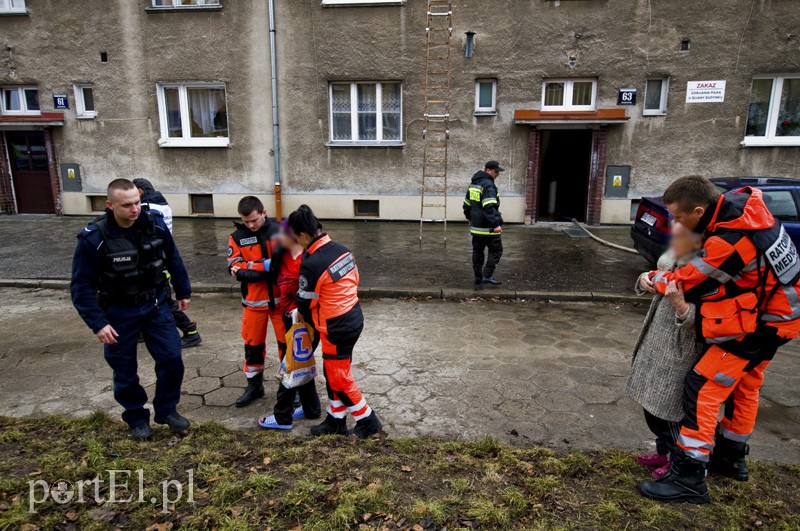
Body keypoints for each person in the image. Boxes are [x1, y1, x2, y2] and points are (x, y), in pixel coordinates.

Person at [638, 175, 800, 504]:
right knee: (745, 385)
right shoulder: (745, 212)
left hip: (759, 327)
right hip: (780, 319)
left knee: (702, 388)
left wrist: (651, 278)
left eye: (679, 216)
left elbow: (686, 282)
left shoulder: (732, 237)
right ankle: (731, 458)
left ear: (699, 210)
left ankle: (688, 478)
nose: (674, 222)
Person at [71, 178, 191, 441]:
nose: (135, 209)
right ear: (110, 205)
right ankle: (136, 418)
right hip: (117, 313)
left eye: (137, 202)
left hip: (155, 305)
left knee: (172, 358)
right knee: (125, 370)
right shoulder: (94, 239)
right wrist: (98, 323)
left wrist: (183, 291)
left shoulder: (155, 224)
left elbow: (173, 257)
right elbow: (81, 286)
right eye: (127, 205)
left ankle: (166, 410)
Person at [288, 205, 383, 438]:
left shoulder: (312, 263)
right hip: (352, 318)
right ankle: (335, 419)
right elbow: (354, 281)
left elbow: (304, 302)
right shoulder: (342, 250)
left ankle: (367, 420)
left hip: (335, 327)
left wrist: (299, 314)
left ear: (302, 235)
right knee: (334, 371)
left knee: (338, 376)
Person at [626, 223, 704, 480]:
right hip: (657, 337)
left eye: (681, 232)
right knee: (651, 404)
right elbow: (661, 272)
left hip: (680, 344)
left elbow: (711, 318)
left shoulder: (707, 264)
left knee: (668, 410)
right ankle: (663, 450)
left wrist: (682, 308)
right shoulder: (680, 251)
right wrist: (645, 279)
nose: (675, 237)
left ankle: (676, 460)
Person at [258, 220, 322, 430]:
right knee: (301, 362)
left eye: (282, 235)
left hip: (305, 321)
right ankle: (311, 408)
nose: (277, 238)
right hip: (290, 318)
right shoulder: (282, 256)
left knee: (289, 366)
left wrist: (301, 313)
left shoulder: (308, 260)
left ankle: (282, 416)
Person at [227, 196, 283, 407]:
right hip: (254, 303)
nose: (250, 225)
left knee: (287, 348)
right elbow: (233, 268)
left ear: (264, 212)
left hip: (281, 302)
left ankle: (290, 387)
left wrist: (248, 267)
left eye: (254, 220)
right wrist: (266, 267)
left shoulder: (281, 232)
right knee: (252, 347)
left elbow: (285, 266)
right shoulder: (237, 237)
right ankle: (254, 386)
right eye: (245, 221)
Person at [132, 178, 201, 349]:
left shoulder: (149, 208)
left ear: (140, 191)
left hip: (156, 261)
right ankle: (141, 331)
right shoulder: (161, 203)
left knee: (163, 301)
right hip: (159, 258)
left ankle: (190, 331)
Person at [464, 161, 504, 286]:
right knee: (496, 251)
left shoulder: (474, 184)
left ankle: (478, 277)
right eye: (496, 171)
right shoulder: (488, 185)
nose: (498, 174)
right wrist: (496, 224)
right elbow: (489, 207)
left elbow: (467, 204)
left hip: (476, 227)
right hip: (488, 227)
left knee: (477, 251)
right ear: (488, 170)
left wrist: (469, 217)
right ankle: (487, 275)